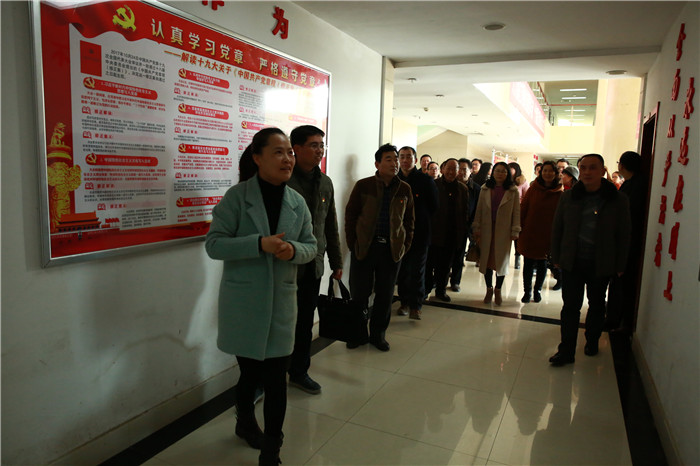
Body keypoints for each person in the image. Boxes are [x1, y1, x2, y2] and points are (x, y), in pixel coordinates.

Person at [205, 128, 317, 464]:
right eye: (279, 152)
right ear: (257, 158)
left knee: (277, 380)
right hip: (245, 305)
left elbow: (311, 247)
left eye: (290, 152)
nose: (288, 159)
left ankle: (272, 449)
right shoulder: (237, 198)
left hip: (281, 304)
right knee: (250, 374)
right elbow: (215, 245)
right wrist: (258, 244)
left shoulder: (297, 202)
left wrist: (292, 250)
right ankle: (244, 422)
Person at [549, 154, 631, 366]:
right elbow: (558, 228)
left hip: (601, 262)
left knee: (596, 305)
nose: (587, 172)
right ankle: (566, 351)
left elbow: (624, 234)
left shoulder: (617, 199)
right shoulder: (569, 197)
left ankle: (592, 341)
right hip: (572, 261)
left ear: (603, 171)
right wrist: (556, 257)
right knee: (570, 307)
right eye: (583, 167)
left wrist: (620, 264)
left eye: (592, 168)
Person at [286, 125, 342, 395]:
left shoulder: (325, 182)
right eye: (314, 145)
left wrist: (337, 261)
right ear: (296, 148)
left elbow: (330, 224)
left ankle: (299, 372)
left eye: (322, 145)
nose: (320, 150)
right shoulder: (282, 179)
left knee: (305, 322)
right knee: (279, 321)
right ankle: (267, 375)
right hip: (284, 265)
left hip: (313, 265)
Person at [345, 144, 414, 352]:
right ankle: (358, 334)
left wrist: (404, 245)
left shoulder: (404, 189)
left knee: (385, 295)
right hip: (365, 247)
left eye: (396, 159)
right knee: (359, 294)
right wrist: (353, 243)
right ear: (377, 164)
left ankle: (378, 335)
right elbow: (351, 215)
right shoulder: (363, 185)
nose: (395, 163)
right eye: (389, 159)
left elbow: (409, 221)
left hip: (391, 250)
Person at [606, 151, 647, 334]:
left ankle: (619, 321)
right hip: (625, 241)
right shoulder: (634, 183)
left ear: (622, 165)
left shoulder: (635, 186)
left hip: (628, 243)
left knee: (622, 283)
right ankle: (615, 318)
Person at [396, 146, 439, 319]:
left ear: (415, 160)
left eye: (409, 157)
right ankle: (404, 302)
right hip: (399, 233)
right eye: (402, 157)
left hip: (420, 232)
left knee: (417, 270)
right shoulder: (395, 179)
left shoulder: (425, 180)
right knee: (402, 270)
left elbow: (434, 206)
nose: (405, 160)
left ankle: (416, 305)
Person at [472, 162, 521, 305]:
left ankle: (498, 290)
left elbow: (516, 212)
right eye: (497, 171)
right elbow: (479, 209)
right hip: (487, 229)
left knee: (501, 262)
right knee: (486, 260)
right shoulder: (485, 188)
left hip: (504, 231)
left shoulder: (512, 191)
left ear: (508, 174)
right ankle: (489, 289)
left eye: (503, 171)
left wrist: (515, 230)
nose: (500, 174)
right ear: (492, 172)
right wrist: (476, 227)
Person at [517, 161, 563, 303]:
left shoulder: (560, 193)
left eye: (550, 171)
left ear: (556, 173)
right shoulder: (533, 189)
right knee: (528, 263)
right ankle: (527, 291)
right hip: (530, 232)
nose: (547, 173)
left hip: (547, 234)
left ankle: (537, 290)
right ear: (540, 173)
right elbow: (524, 209)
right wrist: (519, 228)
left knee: (543, 264)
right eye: (545, 170)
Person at [426, 158, 470, 302]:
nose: (451, 172)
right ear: (443, 169)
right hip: (434, 232)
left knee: (445, 266)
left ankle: (441, 290)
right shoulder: (433, 185)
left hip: (452, 233)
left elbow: (465, 212)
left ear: (458, 171)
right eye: (448, 168)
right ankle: (426, 290)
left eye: (454, 169)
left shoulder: (463, 189)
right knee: (429, 264)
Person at [450, 157, 478, 291]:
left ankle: (455, 281)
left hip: (466, 225)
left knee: (459, 255)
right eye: (459, 169)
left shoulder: (476, 189)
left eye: (464, 169)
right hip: (450, 224)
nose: (461, 172)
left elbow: (477, 209)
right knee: (445, 254)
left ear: (470, 170)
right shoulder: (451, 184)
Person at [508, 162, 529, 269]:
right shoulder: (505, 181)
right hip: (506, 212)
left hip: (518, 212)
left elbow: (526, 198)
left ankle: (517, 257)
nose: (510, 170)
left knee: (517, 236)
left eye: (512, 168)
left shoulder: (523, 182)